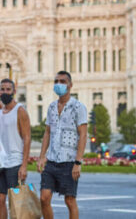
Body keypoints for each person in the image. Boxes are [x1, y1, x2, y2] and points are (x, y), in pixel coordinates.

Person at [37, 71, 88, 219]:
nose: (59, 84)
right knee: (44, 198)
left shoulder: (78, 107)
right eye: (56, 81)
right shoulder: (52, 107)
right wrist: (41, 157)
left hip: (69, 161)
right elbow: (47, 133)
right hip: (52, 160)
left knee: (70, 200)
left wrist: (78, 162)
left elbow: (83, 135)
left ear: (70, 85)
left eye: (63, 81)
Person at [0, 78, 31, 219]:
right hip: (0, 162)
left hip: (15, 161)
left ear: (14, 91)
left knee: (15, 202)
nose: (5, 92)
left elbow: (27, 138)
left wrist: (24, 165)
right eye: (2, 89)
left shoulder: (20, 111)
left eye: (8, 89)